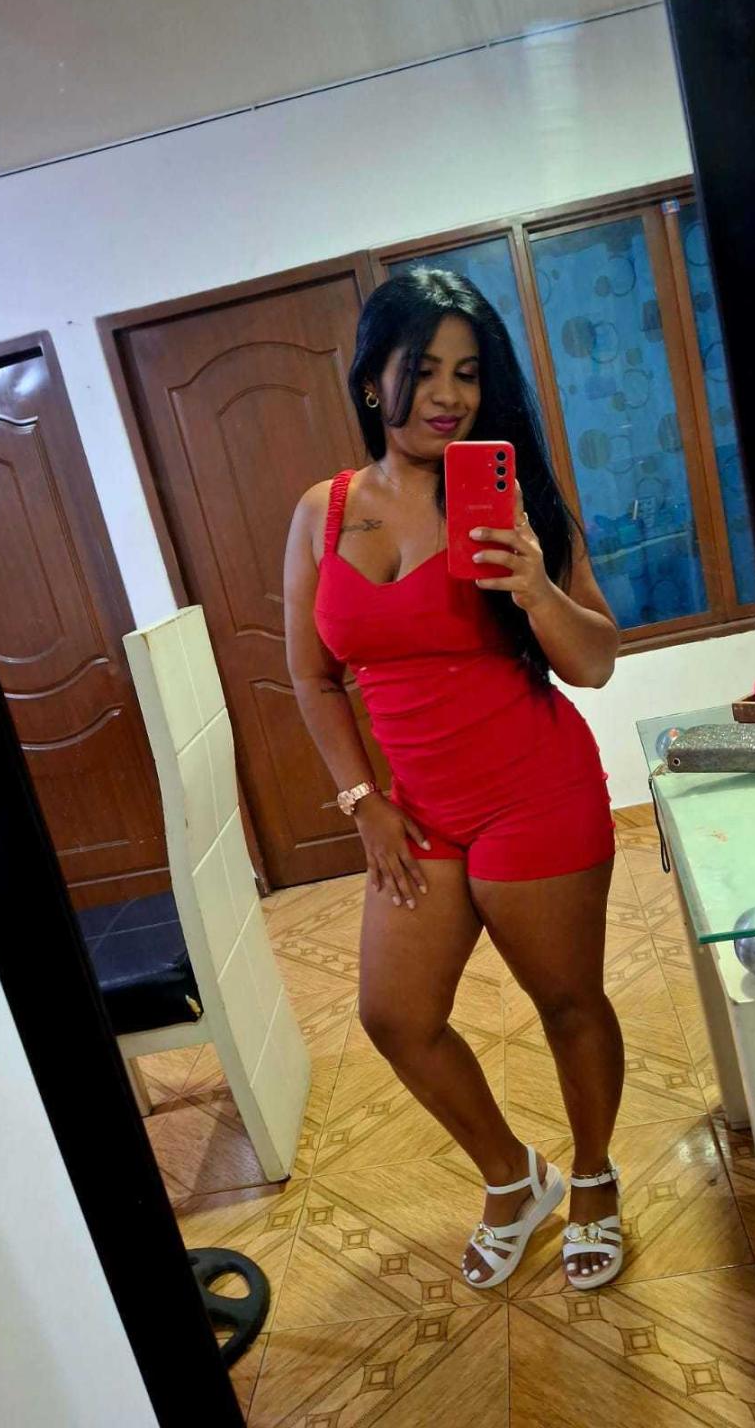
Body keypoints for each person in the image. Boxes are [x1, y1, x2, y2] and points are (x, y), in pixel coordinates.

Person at [283, 268, 625, 1290]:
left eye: (468, 373)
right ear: (372, 380)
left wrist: (534, 586)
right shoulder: (321, 513)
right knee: (396, 1017)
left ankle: (595, 1177)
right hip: (420, 814)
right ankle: (515, 1178)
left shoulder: (516, 501)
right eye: (423, 368)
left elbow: (594, 663)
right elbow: (313, 674)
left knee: (566, 1002)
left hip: (537, 793)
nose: (447, 394)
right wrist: (364, 804)